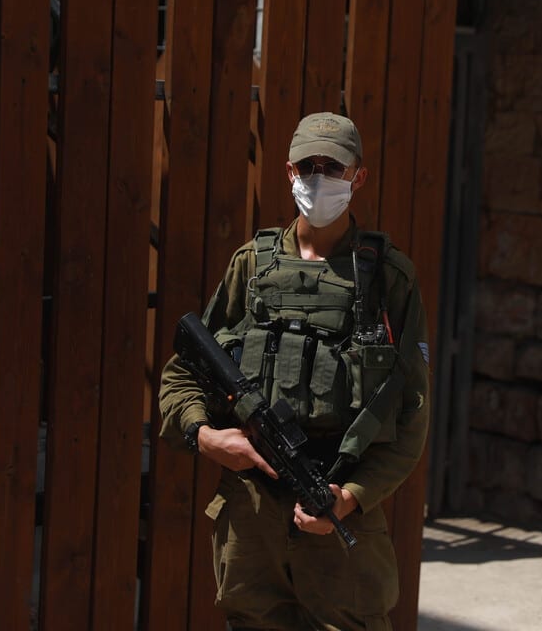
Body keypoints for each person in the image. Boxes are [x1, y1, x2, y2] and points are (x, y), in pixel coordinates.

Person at [159, 111, 430, 631]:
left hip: (335, 513)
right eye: (309, 165)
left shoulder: (388, 280)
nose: (319, 178)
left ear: (359, 177)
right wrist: (206, 437)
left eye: (334, 167)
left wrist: (350, 498)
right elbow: (182, 376)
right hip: (251, 517)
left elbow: (412, 413)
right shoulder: (253, 266)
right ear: (288, 171)